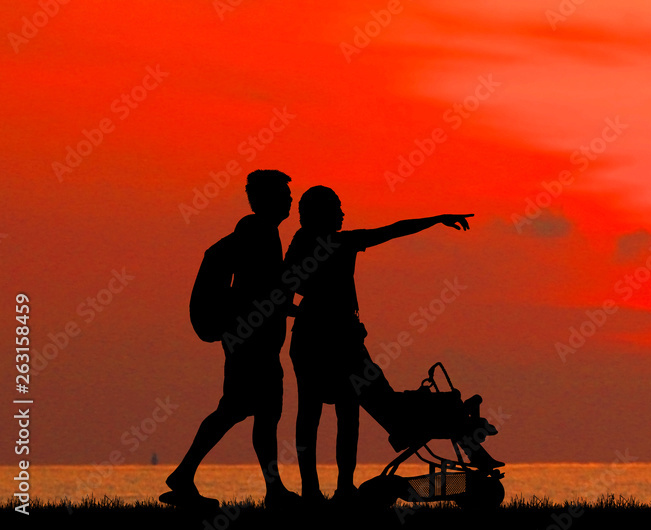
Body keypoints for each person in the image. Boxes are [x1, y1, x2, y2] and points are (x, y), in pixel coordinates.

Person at [284, 185, 494, 503]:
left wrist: (315, 311)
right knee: (341, 413)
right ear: (323, 213)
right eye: (337, 208)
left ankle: (325, 490)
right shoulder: (337, 243)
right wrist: (437, 218)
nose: (343, 213)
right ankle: (332, 489)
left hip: (322, 339)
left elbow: (287, 290)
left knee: (323, 414)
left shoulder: (305, 244)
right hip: (336, 344)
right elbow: (392, 231)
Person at [160, 170, 299, 509]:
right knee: (247, 409)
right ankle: (190, 475)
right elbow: (261, 290)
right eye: (283, 194)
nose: (289, 200)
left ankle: (269, 488)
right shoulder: (261, 234)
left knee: (251, 409)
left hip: (248, 337)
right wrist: (303, 311)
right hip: (253, 340)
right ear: (266, 199)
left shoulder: (260, 231)